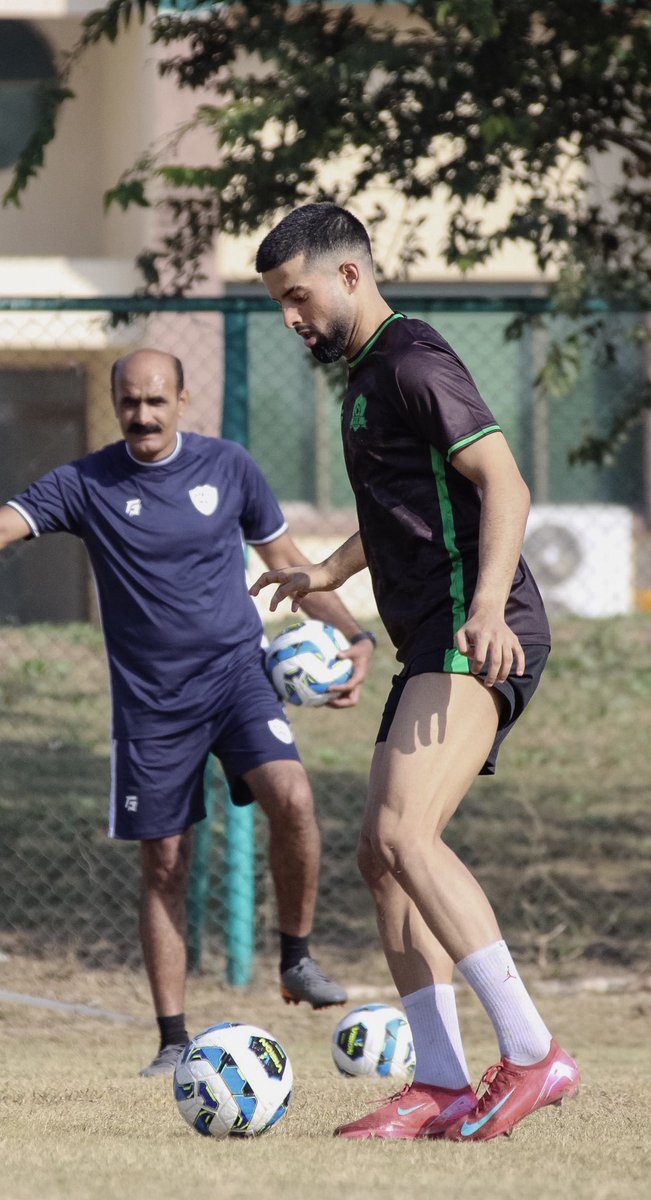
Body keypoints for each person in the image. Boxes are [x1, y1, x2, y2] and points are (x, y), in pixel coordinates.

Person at [0, 348, 376, 1078]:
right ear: (115, 403)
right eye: (130, 402)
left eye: (156, 402)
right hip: (152, 704)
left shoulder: (229, 468)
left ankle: (295, 956)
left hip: (238, 677)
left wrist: (356, 635)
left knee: (292, 797)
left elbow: (290, 562)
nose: (143, 415)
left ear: (182, 401)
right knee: (164, 863)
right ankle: (171, 1040)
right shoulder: (85, 483)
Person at [251, 203, 580, 1142]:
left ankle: (530, 1054)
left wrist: (483, 607)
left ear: (349, 276)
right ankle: (436, 1082)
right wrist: (325, 572)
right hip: (432, 636)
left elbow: (502, 481)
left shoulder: (411, 359)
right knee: (381, 854)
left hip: (476, 631)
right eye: (279, 303)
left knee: (402, 835)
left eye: (298, 297)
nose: (291, 319)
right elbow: (405, 508)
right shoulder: (366, 378)